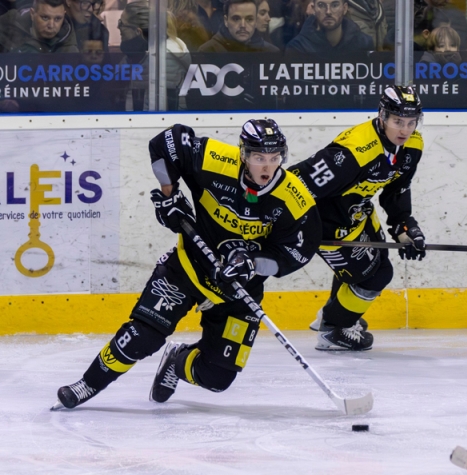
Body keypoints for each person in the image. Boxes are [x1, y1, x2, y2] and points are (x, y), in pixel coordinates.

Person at [53, 120, 322, 409]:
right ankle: (87, 385)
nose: (267, 168)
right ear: (243, 154)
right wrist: (170, 195)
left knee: (217, 377)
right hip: (188, 268)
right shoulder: (213, 159)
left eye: (274, 158)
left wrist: (253, 265)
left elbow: (297, 253)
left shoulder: (295, 199)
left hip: (237, 292)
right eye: (259, 158)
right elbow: (163, 143)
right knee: (141, 337)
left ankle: (175, 361)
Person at [287, 86, 426, 351]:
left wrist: (405, 225)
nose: (405, 130)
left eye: (411, 122)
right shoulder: (354, 152)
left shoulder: (413, 145)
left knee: (376, 262)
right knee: (376, 275)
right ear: (382, 116)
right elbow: (295, 184)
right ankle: (332, 329)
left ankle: (337, 314)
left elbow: (397, 189)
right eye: (398, 122)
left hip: (357, 211)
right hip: (327, 221)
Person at [285, 0, 373, 54]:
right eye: (321, 5)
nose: (328, 12)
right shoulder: (297, 47)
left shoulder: (364, 43)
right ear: (313, 8)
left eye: (334, 5)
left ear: (345, 8)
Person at [0, 0, 79, 53]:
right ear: (32, 14)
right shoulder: (9, 25)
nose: (51, 25)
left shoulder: (69, 50)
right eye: (45, 18)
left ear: (64, 15)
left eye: (58, 19)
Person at [199, 0, 279, 51]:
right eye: (236, 19)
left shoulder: (271, 52)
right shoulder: (208, 51)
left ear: (255, 22)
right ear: (226, 21)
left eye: (249, 19)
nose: (243, 25)